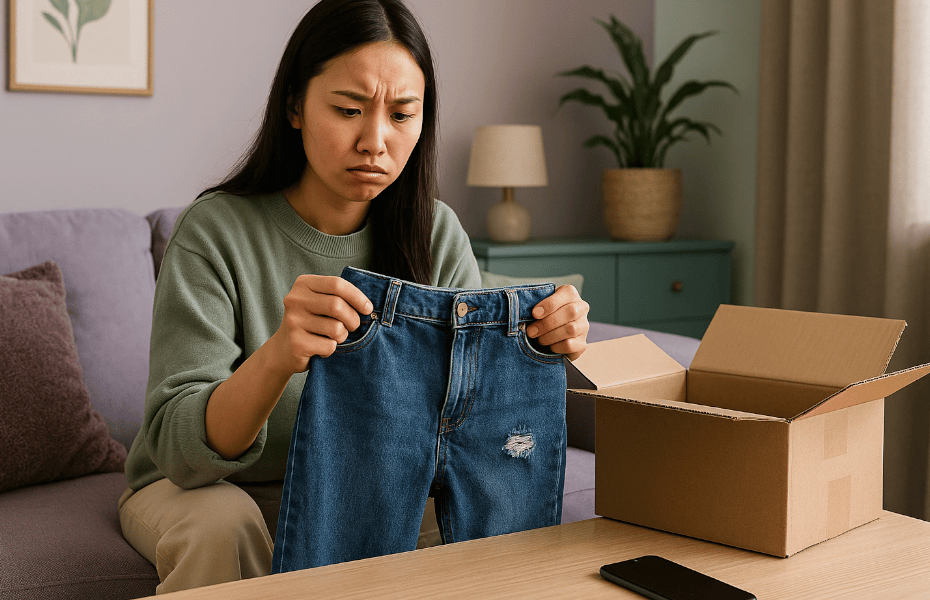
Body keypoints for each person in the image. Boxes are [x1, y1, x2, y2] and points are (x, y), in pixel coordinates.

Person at [118, 0, 590, 593]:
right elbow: (181, 451)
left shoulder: (435, 231)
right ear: (295, 106)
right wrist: (278, 356)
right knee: (222, 527)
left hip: (365, 489)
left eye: (401, 115)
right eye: (348, 110)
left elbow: (472, 421)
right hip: (207, 488)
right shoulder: (213, 231)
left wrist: (548, 338)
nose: (375, 140)